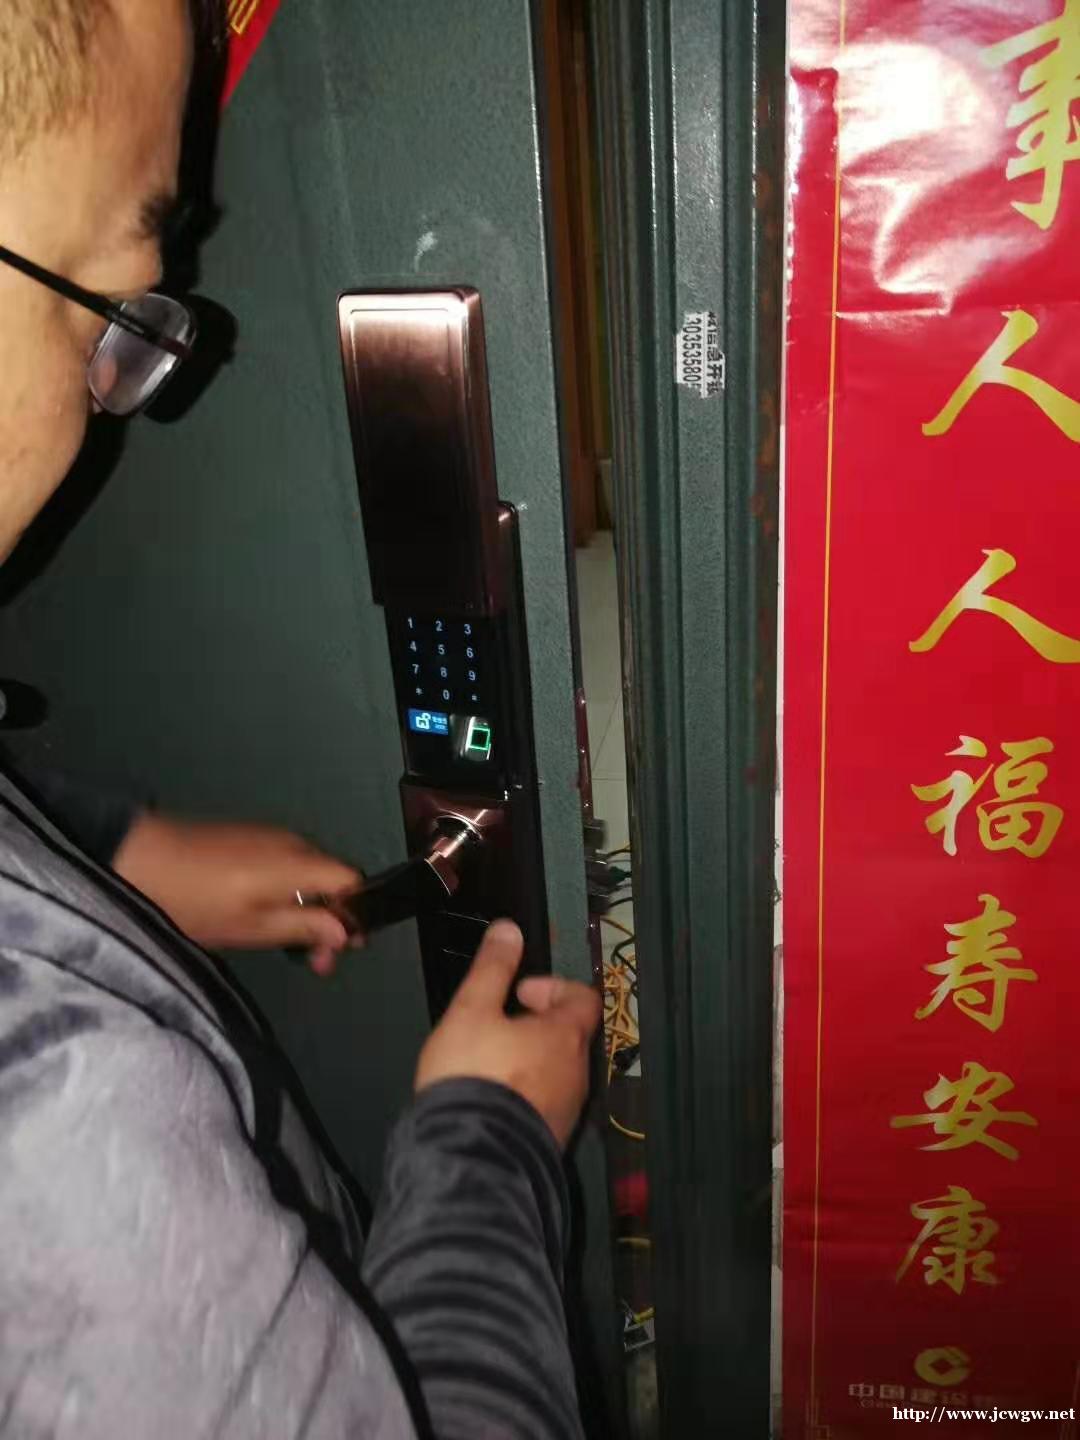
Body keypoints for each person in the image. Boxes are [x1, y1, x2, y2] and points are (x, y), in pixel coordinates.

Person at [0, 2, 602, 1437]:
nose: (108, 394)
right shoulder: (48, 1141)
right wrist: (489, 1146)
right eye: (110, 309)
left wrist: (123, 865)